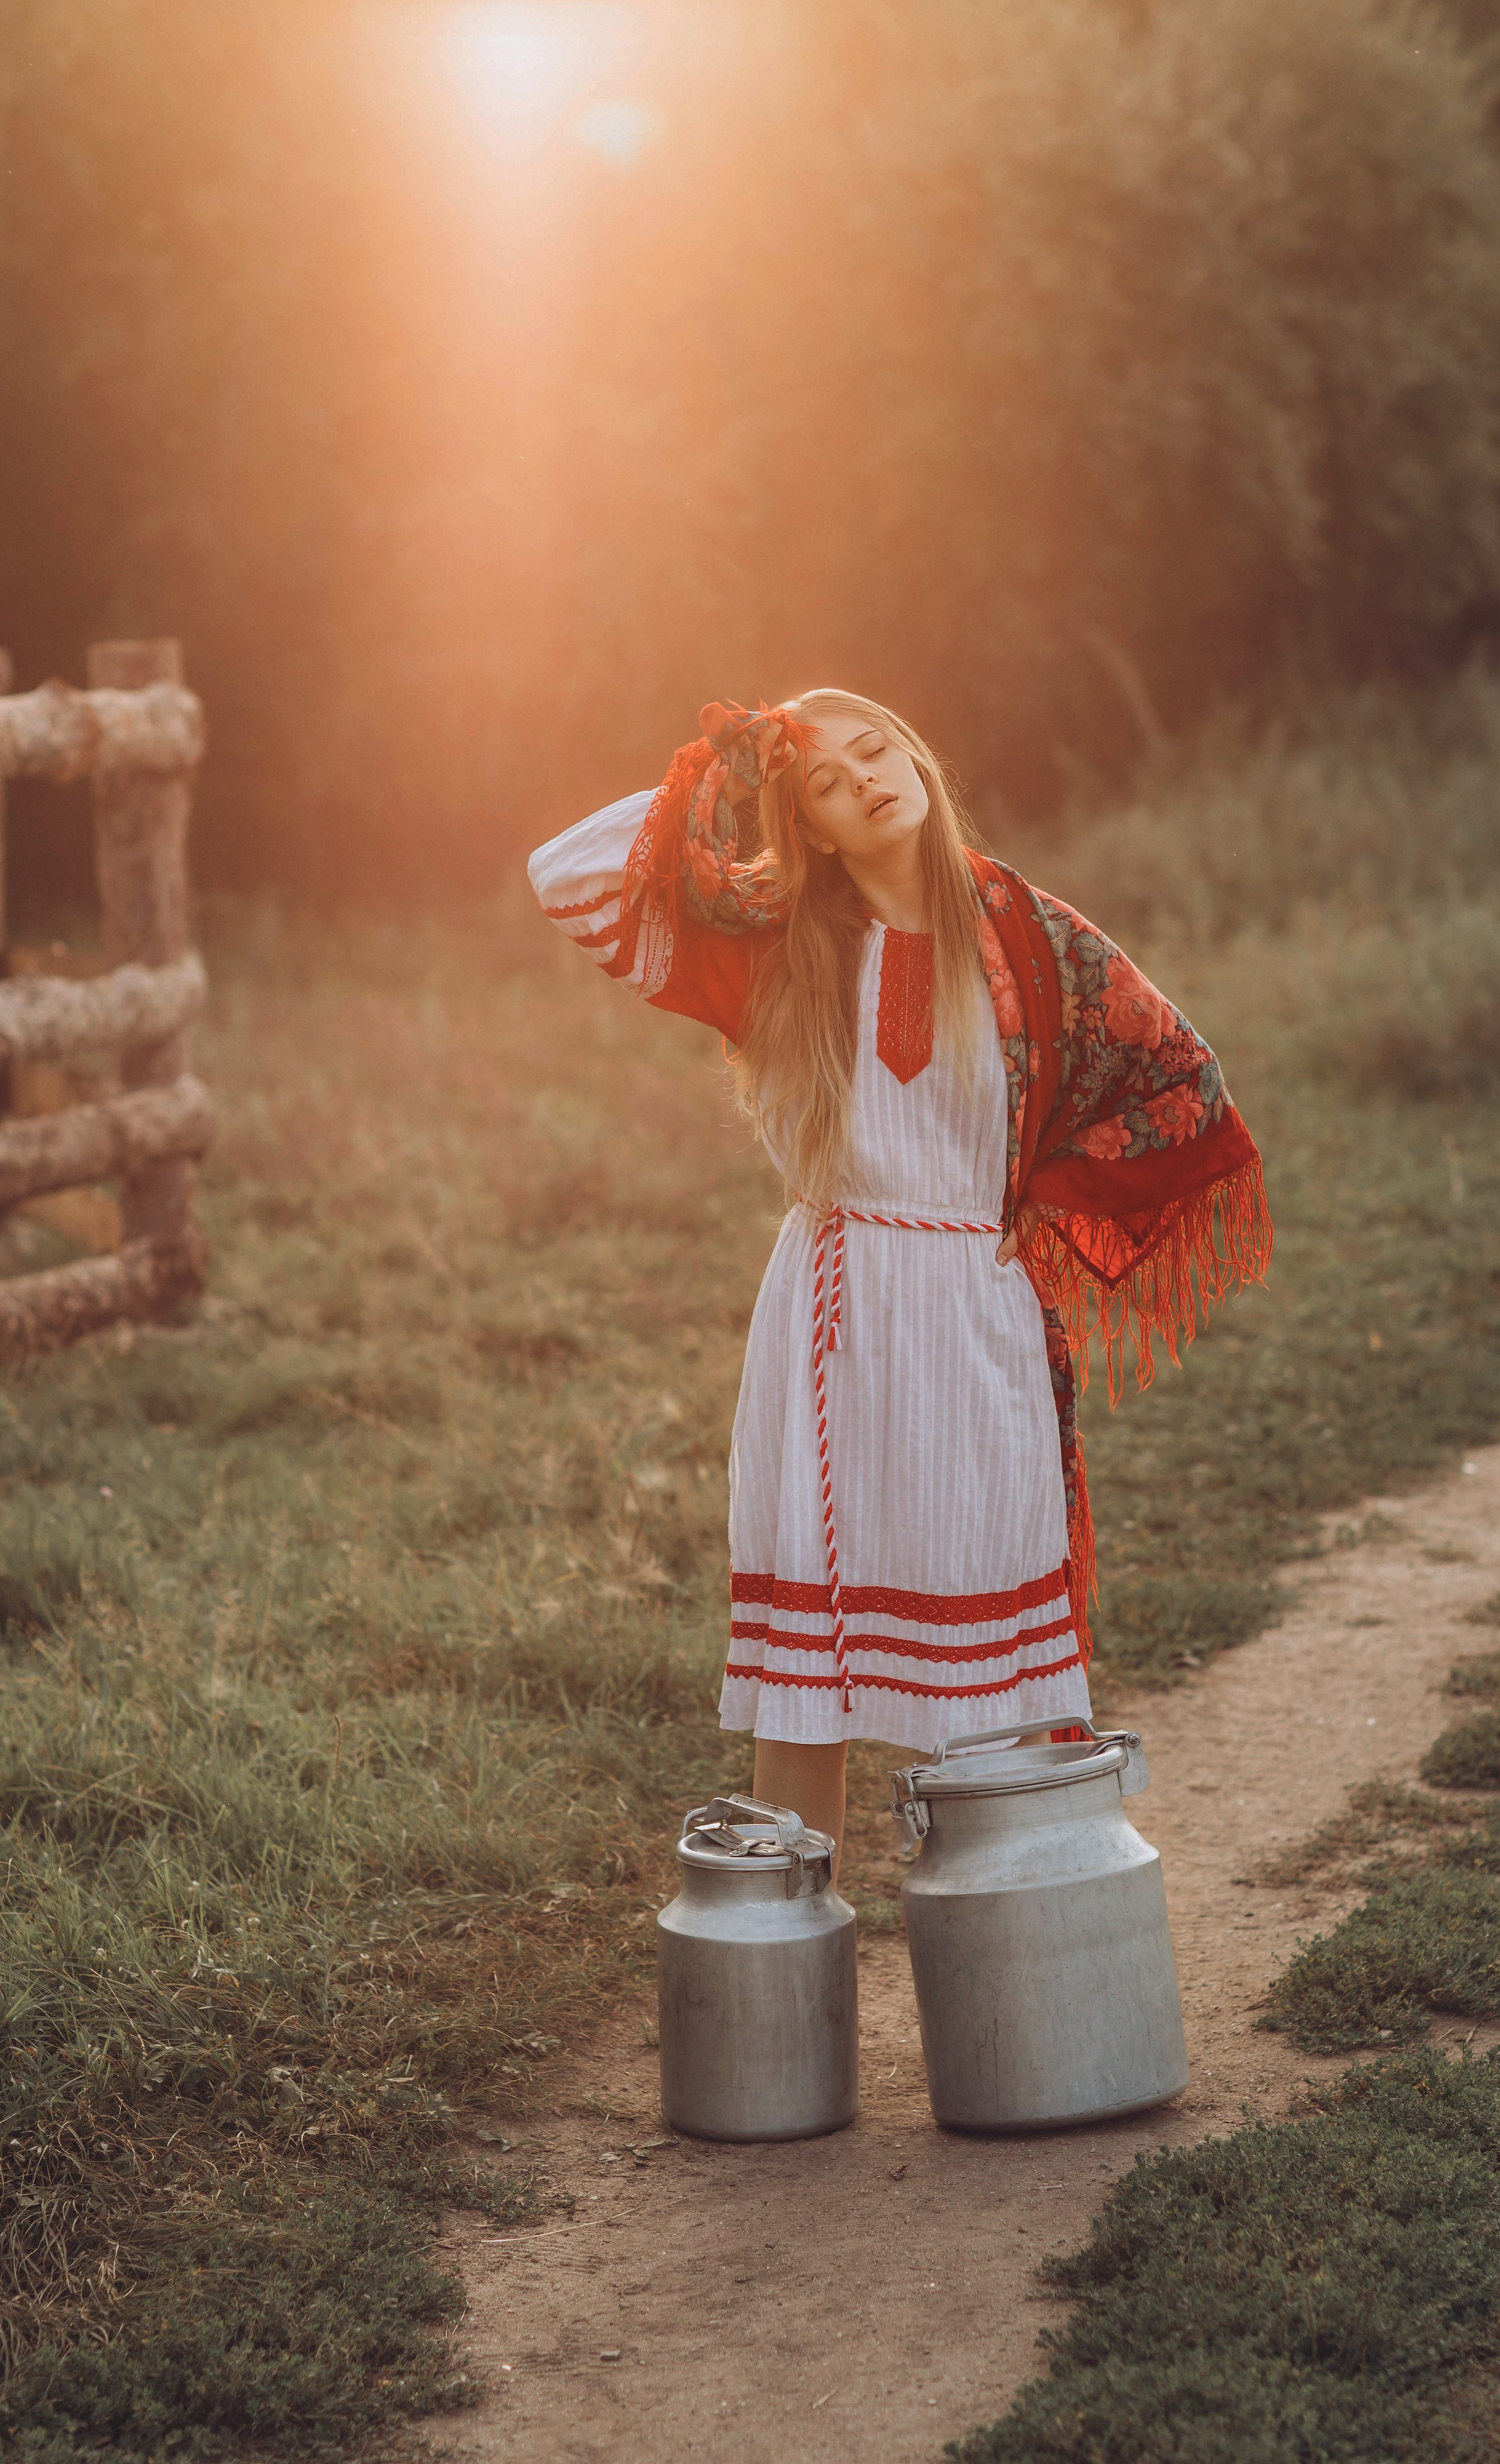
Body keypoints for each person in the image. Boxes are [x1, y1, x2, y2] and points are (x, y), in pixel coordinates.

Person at [528, 693, 1268, 1860]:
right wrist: (724, 776)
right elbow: (569, 876)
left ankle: (1023, 1929)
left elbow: (1184, 1082)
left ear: (917, 756)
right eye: (824, 780)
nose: (864, 777)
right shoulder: (773, 942)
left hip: (978, 1308)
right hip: (828, 1319)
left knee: (998, 1659)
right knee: (805, 1667)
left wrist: (1040, 1220)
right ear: (808, 827)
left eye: (875, 749)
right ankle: (784, 1942)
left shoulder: (1034, 937)